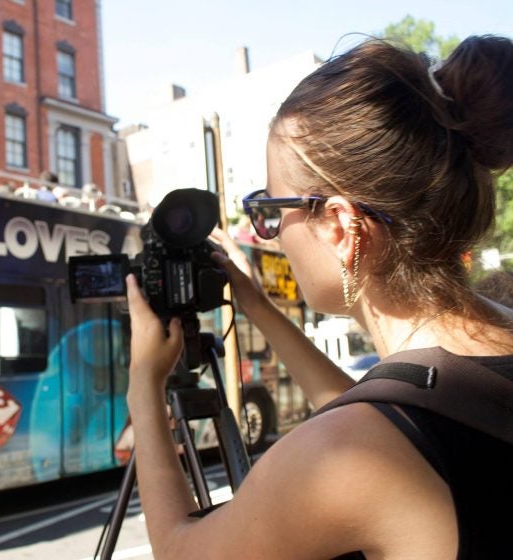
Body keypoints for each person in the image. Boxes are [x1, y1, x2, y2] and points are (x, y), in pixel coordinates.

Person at [125, 35, 513, 559]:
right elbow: (379, 410)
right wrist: (258, 306)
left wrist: (142, 389)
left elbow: (179, 551)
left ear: (338, 225)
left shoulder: (353, 454)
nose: (271, 232)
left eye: (271, 207)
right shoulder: (467, 375)